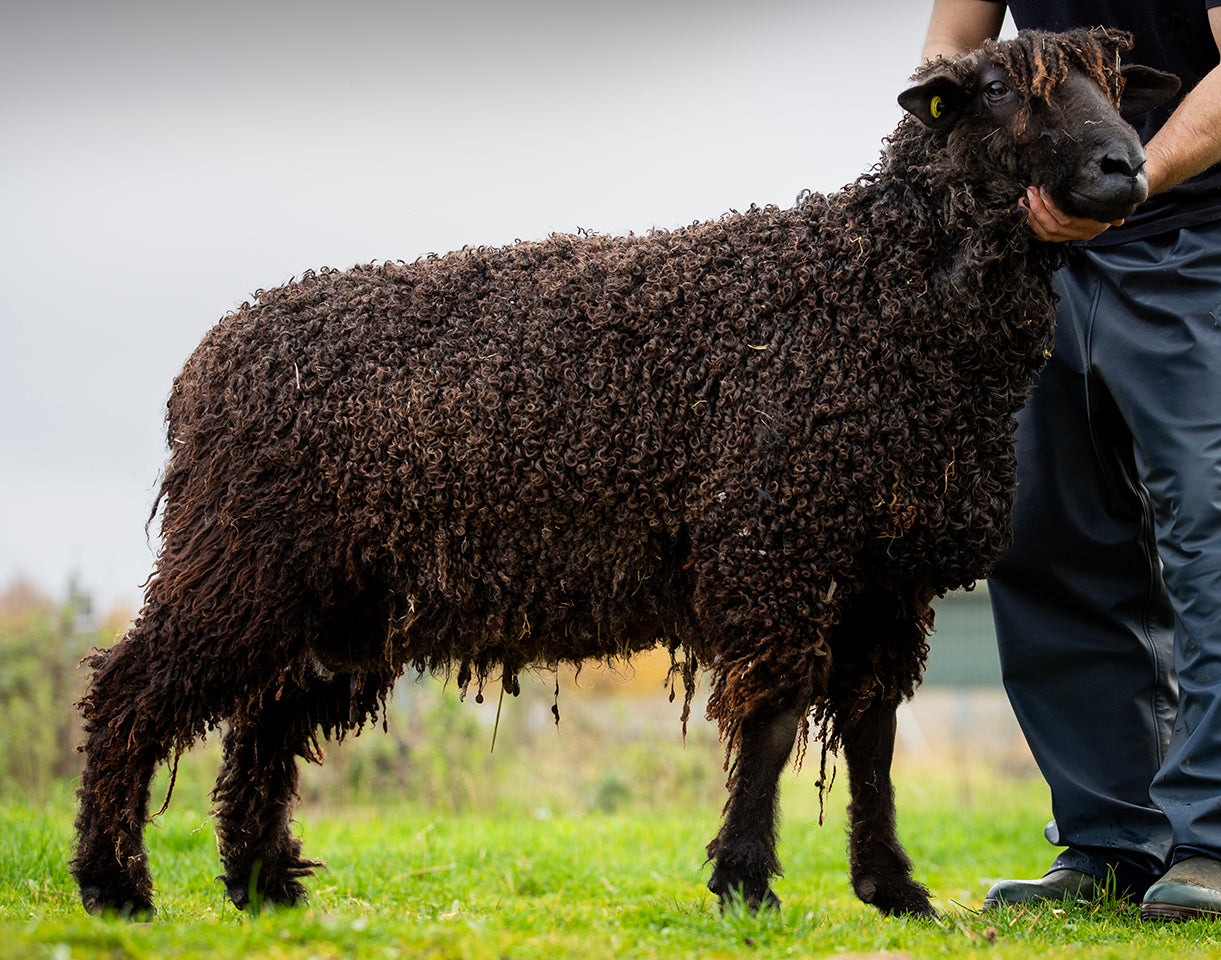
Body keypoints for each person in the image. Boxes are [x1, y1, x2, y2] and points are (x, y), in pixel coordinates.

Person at [919, 0, 1221, 921]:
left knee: (1212, 527)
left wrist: (1130, 175)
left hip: (1198, 238)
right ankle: (1111, 839)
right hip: (1042, 255)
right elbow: (946, 48)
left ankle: (1211, 841)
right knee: (1040, 530)